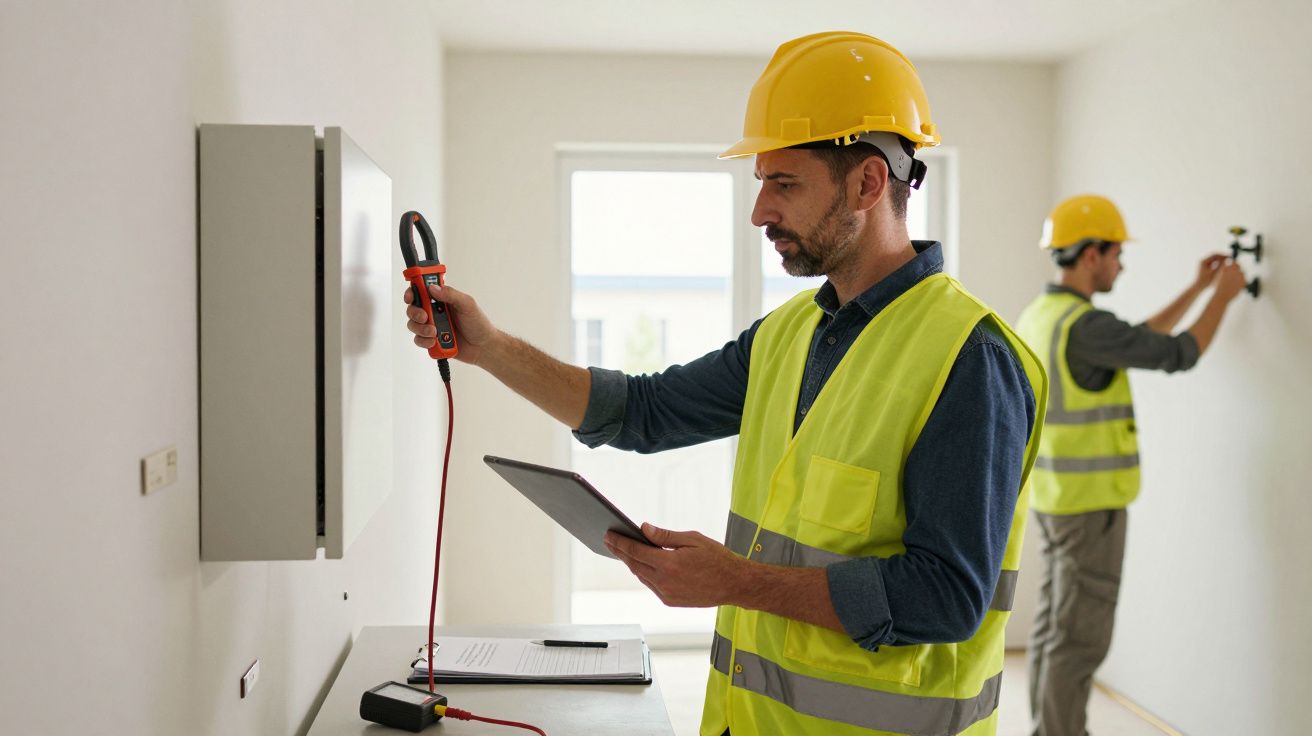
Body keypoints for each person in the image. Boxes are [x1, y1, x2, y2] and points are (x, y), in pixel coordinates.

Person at [408, 32, 1047, 736]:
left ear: (868, 183)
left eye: (785, 183)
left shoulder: (970, 357)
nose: (760, 213)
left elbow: (946, 597)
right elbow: (642, 412)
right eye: (761, 184)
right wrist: (489, 348)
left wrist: (735, 581)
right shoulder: (788, 335)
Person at [1016, 194, 1248, 736]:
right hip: (1090, 508)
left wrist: (1197, 290)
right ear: (1092, 254)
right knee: (1078, 644)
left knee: (1055, 635)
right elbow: (1179, 353)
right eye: (1118, 253)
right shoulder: (1085, 325)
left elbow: (1137, 340)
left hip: (1054, 502)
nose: (1122, 264)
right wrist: (1225, 299)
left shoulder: (1046, 316)